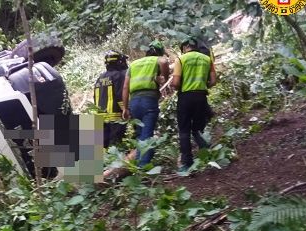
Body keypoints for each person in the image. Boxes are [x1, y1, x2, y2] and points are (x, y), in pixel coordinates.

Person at [171, 37, 217, 172]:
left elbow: (175, 83)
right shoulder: (207, 59)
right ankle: (206, 151)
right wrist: (203, 84)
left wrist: (178, 86)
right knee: (197, 127)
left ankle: (187, 163)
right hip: (201, 96)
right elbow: (213, 81)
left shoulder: (181, 59)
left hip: (185, 97)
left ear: (185, 47)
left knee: (184, 130)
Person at [121, 40, 170, 168]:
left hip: (134, 102)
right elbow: (164, 62)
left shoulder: (134, 64)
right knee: (147, 136)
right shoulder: (157, 60)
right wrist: (165, 76)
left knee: (140, 135)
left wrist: (125, 108)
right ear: (159, 52)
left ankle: (138, 163)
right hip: (148, 100)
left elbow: (125, 87)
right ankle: (143, 167)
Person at [93, 50, 129, 148]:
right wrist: (125, 110)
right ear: (119, 62)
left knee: (101, 147)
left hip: (99, 118)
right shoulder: (119, 76)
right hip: (115, 118)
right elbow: (120, 95)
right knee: (115, 147)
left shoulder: (100, 78)